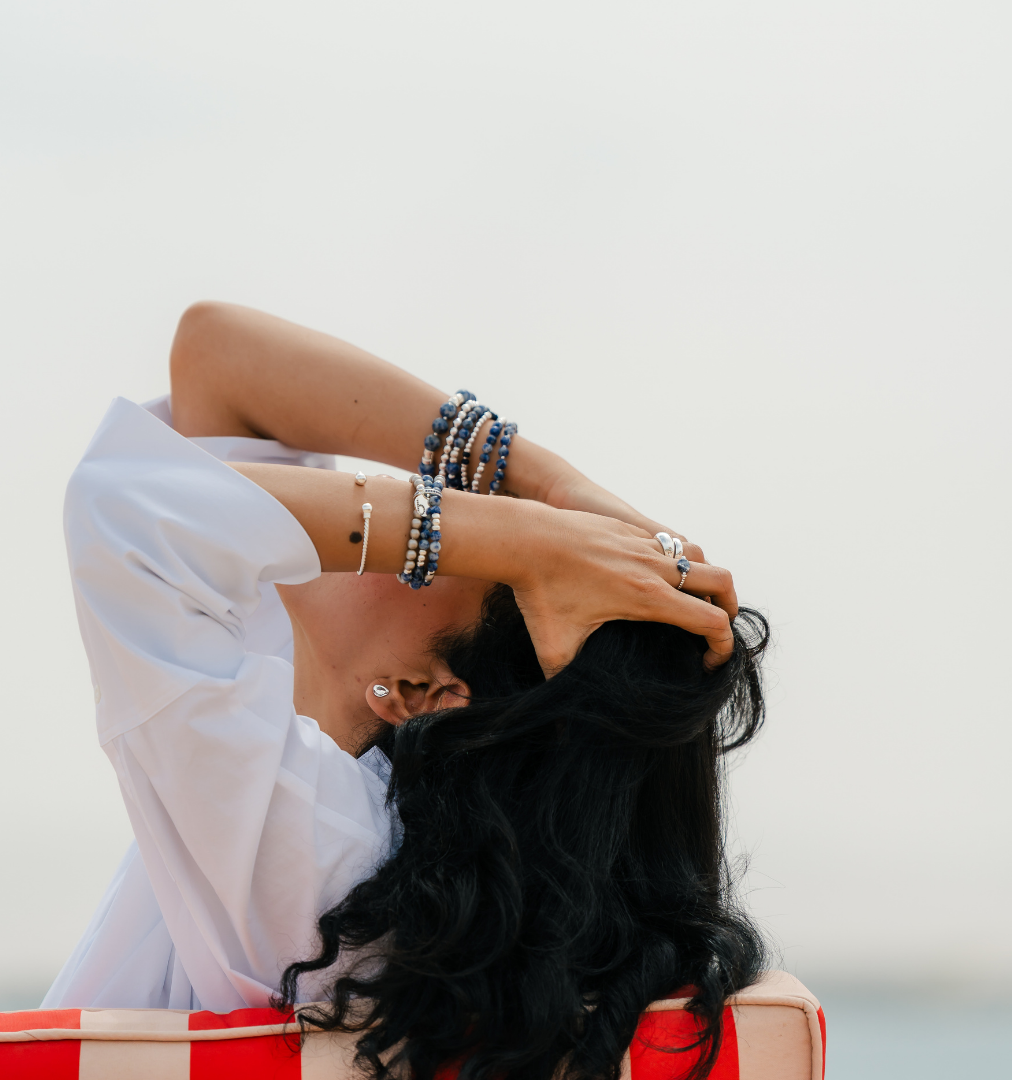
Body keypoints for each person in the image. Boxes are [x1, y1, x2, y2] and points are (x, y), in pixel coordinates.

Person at [43, 302, 767, 1080]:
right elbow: (215, 353)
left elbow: (134, 507)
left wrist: (531, 534)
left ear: (424, 693)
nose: (415, 507)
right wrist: (552, 488)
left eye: (451, 545)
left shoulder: (329, 865)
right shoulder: (323, 777)